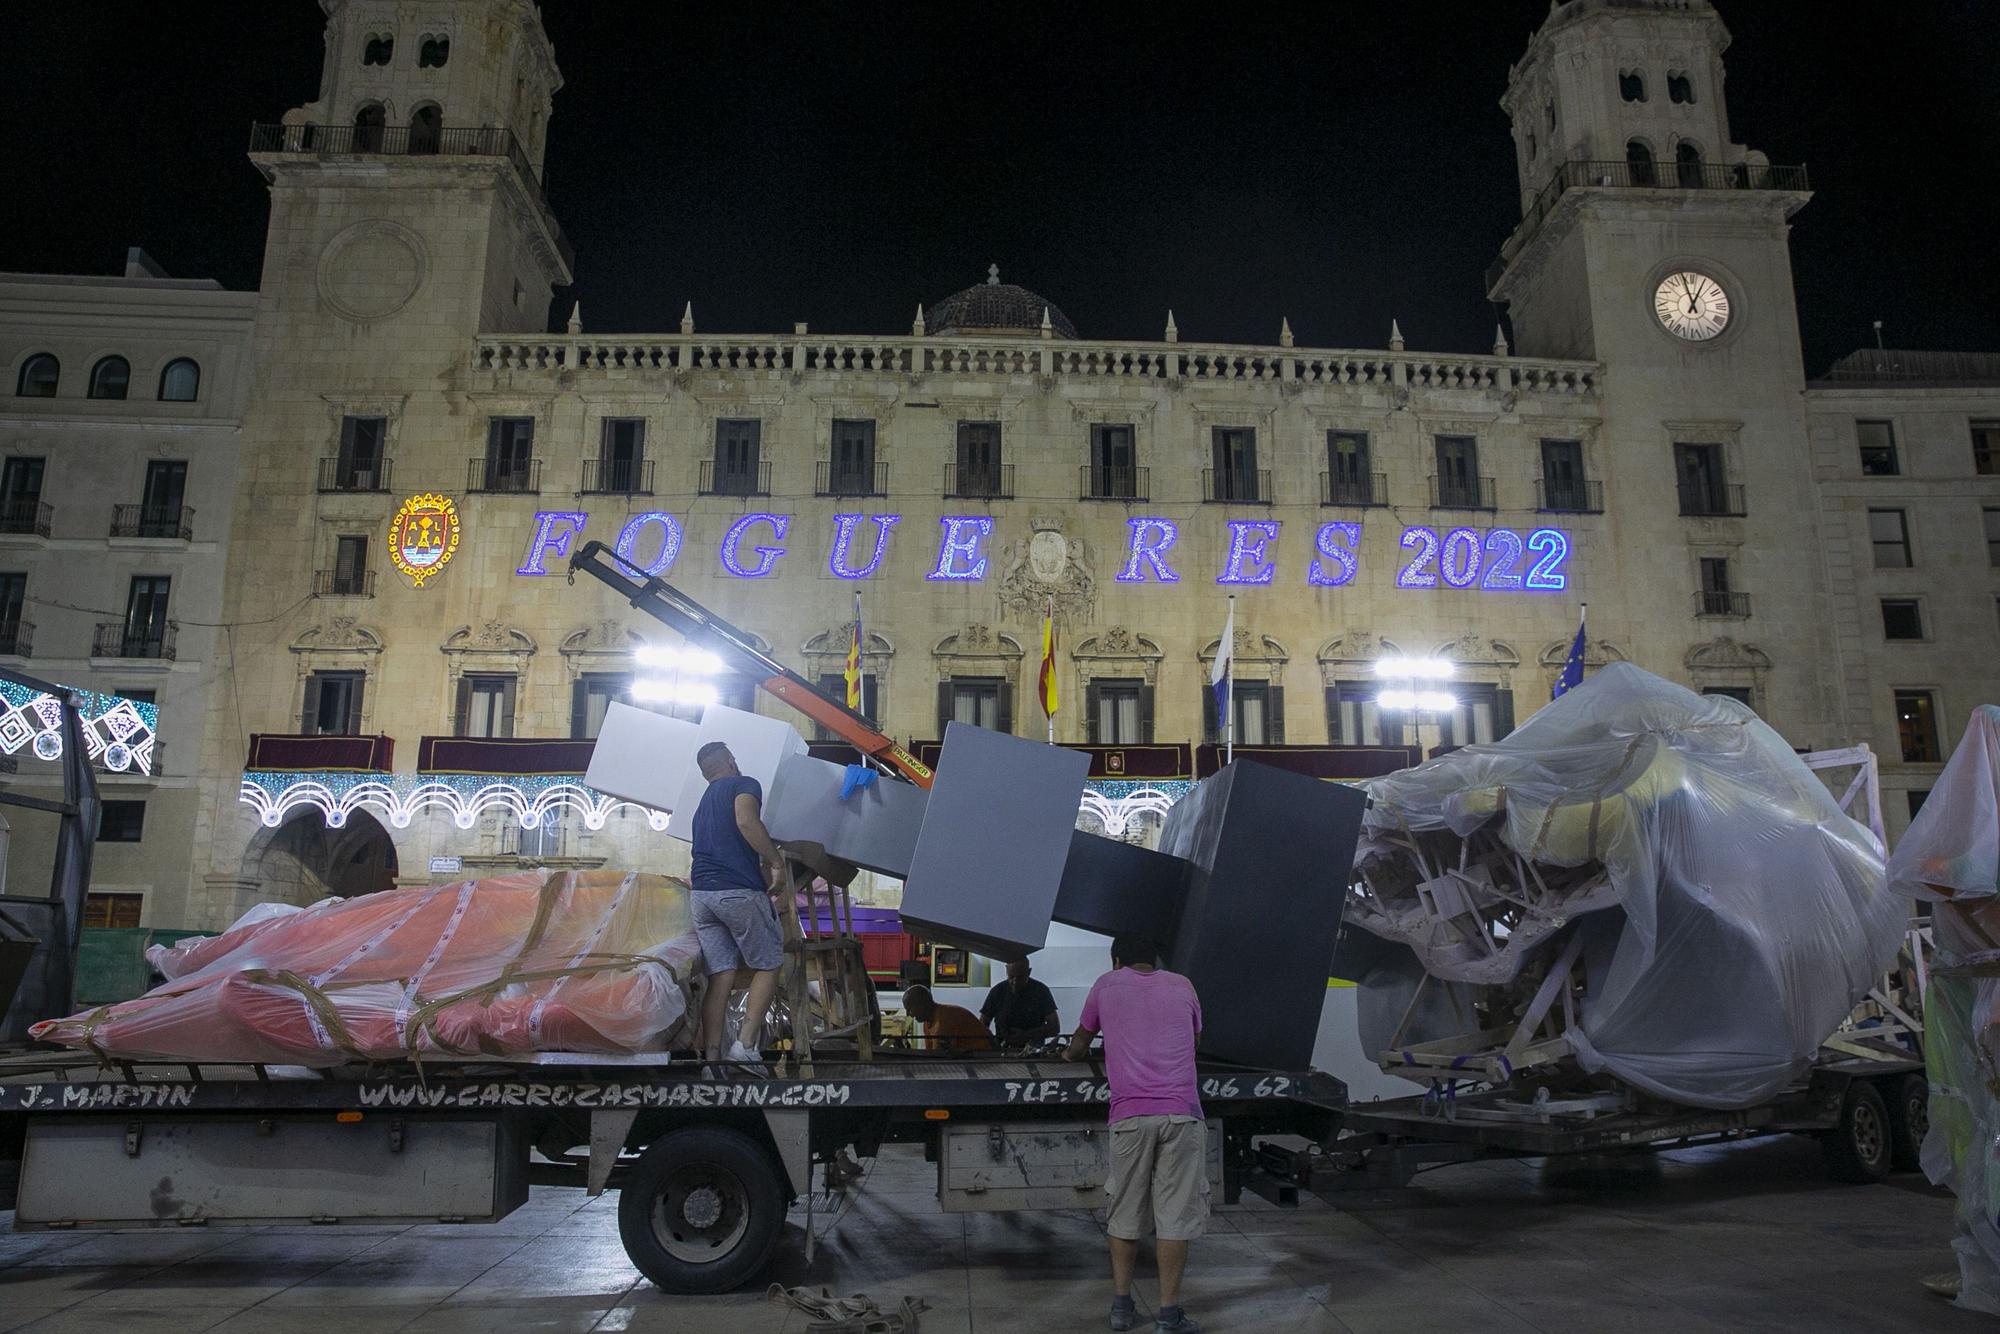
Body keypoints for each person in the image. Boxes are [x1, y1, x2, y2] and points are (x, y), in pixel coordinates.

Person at [1065, 934, 1204, 1334]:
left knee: (1125, 1213)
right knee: (1174, 1216)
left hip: (1129, 1116)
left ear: (1117, 960)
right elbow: (1195, 1040)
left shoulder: (1106, 985)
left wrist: (1069, 1055)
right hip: (1181, 1114)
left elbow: (1080, 1041)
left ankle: (1122, 1309)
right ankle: (1168, 1315)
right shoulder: (1182, 985)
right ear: (1156, 958)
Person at [688, 741, 786, 1063]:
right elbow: (746, 821)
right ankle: (744, 1048)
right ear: (731, 760)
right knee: (769, 962)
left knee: (721, 975)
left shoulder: (702, 803)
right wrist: (775, 861)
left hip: (702, 896)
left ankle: (711, 1060)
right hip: (737, 892)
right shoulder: (745, 784)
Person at [980, 957, 1061, 1047]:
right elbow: (982, 1024)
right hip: (1003, 1050)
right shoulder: (997, 991)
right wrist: (993, 1042)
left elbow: (1054, 1027)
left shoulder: (1041, 991)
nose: (1015, 981)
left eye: (1020, 977)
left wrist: (1027, 1035)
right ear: (1006, 971)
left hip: (1032, 1051)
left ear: (1029, 972)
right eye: (1011, 977)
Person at [901, 983, 994, 1053]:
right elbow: (930, 1055)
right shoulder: (928, 1021)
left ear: (922, 1004)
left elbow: (938, 1059)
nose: (909, 1014)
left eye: (910, 1009)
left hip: (984, 1059)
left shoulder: (943, 1021)